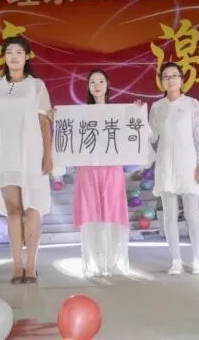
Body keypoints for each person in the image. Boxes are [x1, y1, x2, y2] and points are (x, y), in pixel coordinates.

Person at [0, 36, 53, 284]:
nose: (14, 56)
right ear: (4, 57)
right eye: (9, 52)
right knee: (13, 211)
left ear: (27, 57)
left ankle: (31, 267)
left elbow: (45, 123)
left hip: (31, 154)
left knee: (31, 208)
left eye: (19, 52)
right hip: (6, 155)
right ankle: (16, 267)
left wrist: (48, 155)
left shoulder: (36, 86)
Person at [72, 69, 131, 276]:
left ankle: (112, 261)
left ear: (108, 85)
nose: (97, 85)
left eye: (101, 81)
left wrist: (137, 112)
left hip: (112, 169)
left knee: (111, 213)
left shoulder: (119, 112)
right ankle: (93, 263)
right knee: (91, 214)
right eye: (92, 82)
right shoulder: (80, 115)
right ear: (88, 87)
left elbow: (136, 133)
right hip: (88, 169)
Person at [148, 62, 199, 275]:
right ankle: (176, 260)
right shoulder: (157, 107)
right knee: (169, 216)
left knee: (192, 215)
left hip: (188, 164)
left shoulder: (192, 104)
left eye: (174, 75)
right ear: (161, 81)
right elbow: (152, 136)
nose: (170, 79)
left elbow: (198, 135)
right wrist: (137, 117)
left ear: (181, 79)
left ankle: (197, 259)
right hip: (165, 165)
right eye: (166, 76)